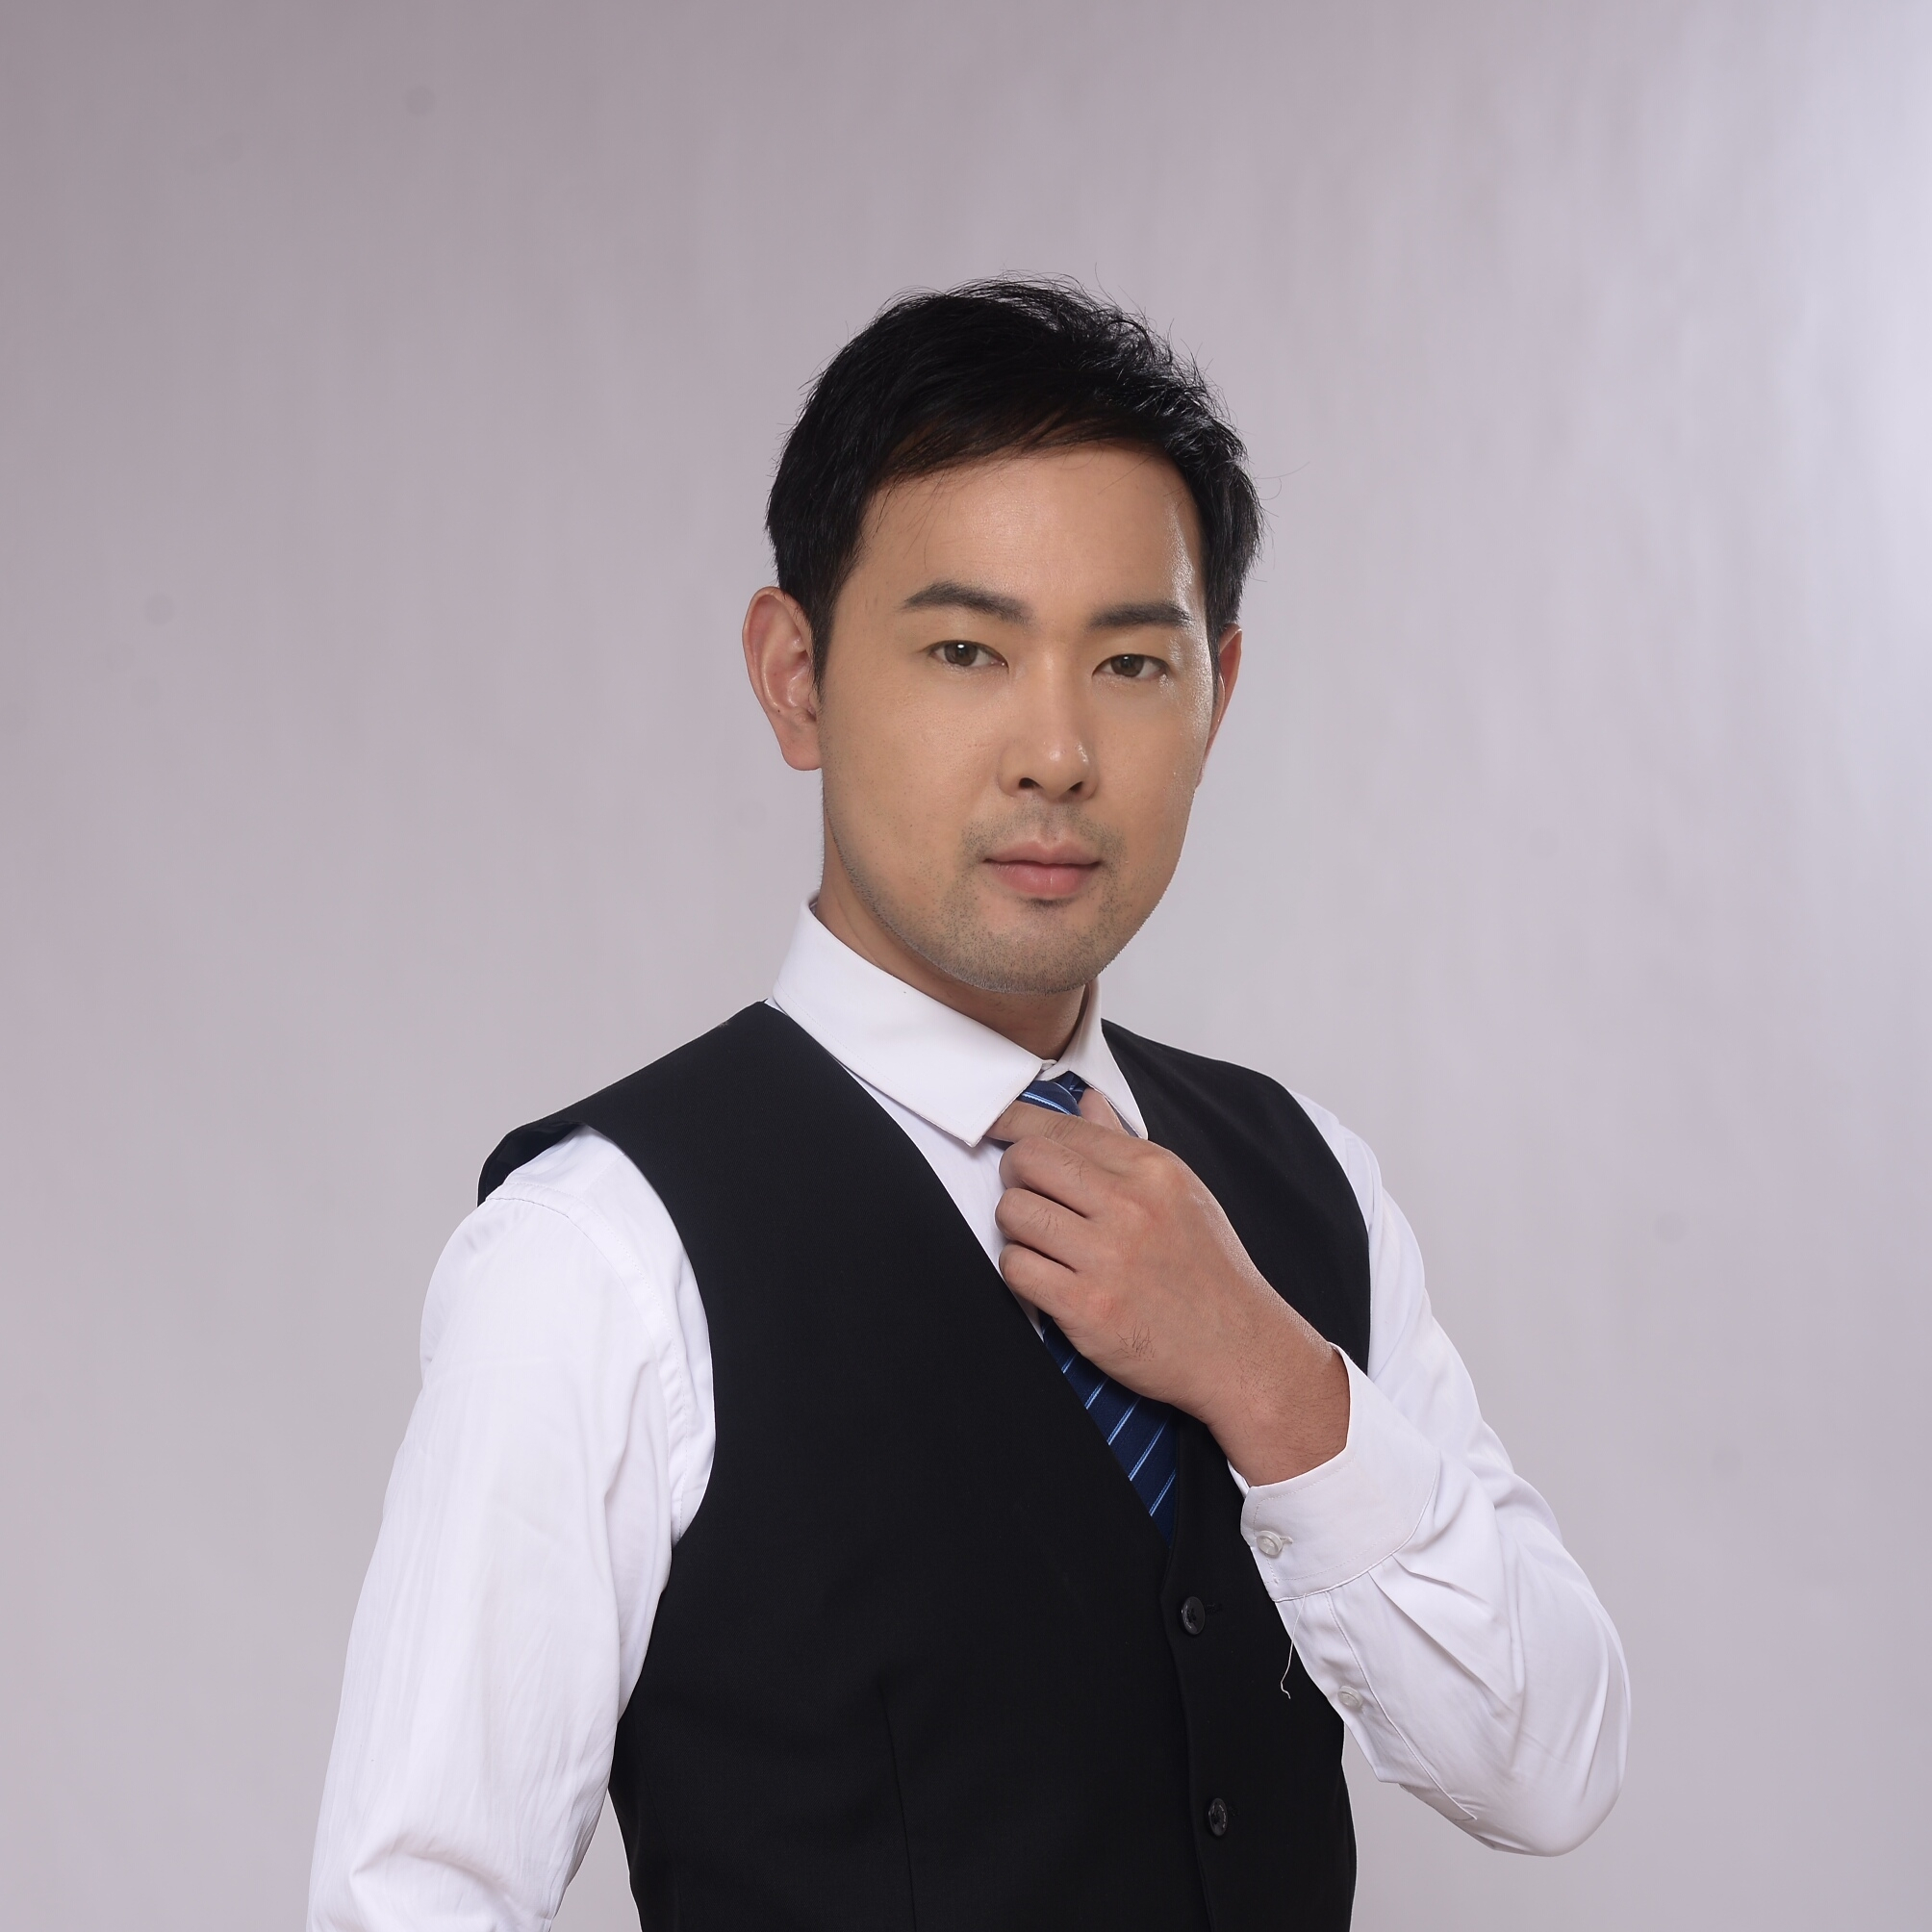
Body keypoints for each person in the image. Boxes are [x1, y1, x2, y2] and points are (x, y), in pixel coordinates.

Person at [309, 279, 1628, 1932]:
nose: (1057, 752)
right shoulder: (602, 1251)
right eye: (964, 651)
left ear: (1218, 692)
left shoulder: (1308, 1184)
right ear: (795, 678)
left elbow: (1550, 1772)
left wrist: (1271, 1379)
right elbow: (416, 1897)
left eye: (1131, 662)